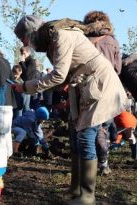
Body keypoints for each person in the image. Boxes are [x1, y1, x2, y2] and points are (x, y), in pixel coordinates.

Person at [13, 15, 127, 205]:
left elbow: (58, 75)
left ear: (31, 33)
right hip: (84, 87)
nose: (24, 43)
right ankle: (76, 188)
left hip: (99, 86)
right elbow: (64, 76)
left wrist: (25, 87)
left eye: (23, 38)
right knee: (75, 133)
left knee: (85, 137)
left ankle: (87, 195)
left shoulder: (60, 35)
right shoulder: (52, 39)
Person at [83, 10, 123, 175]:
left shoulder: (85, 40)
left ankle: (89, 163)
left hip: (88, 89)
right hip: (109, 89)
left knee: (87, 128)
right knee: (103, 127)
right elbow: (118, 69)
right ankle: (103, 164)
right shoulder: (113, 41)